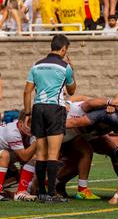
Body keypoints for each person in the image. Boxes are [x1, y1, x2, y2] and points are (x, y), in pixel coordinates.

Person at [23, 35, 76, 203]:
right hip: (55, 108)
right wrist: (73, 71)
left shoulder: (36, 65)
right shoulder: (65, 66)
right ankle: (52, 194)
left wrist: (27, 113)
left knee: (40, 153)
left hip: (38, 108)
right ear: (63, 49)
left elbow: (27, 91)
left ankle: (41, 193)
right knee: (53, 153)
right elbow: (72, 90)